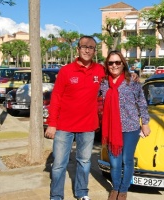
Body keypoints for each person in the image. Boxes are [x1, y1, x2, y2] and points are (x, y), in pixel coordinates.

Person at [44, 35, 105, 200]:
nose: (87, 49)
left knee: (84, 162)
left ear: (94, 50)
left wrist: (133, 77)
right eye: (84, 46)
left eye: (91, 47)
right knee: (58, 165)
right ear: (78, 49)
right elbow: (56, 98)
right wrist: (52, 124)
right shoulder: (66, 71)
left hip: (88, 126)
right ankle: (56, 195)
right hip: (64, 126)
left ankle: (82, 192)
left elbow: (118, 75)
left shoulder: (100, 70)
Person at [101, 50, 150, 200]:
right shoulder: (103, 83)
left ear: (123, 64)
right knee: (115, 163)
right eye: (111, 63)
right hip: (111, 128)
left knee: (126, 160)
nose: (114, 65)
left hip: (130, 128)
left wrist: (145, 123)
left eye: (117, 62)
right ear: (107, 65)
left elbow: (142, 103)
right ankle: (115, 188)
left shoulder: (132, 81)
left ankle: (123, 190)